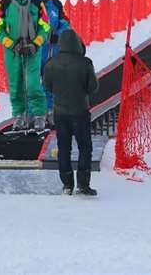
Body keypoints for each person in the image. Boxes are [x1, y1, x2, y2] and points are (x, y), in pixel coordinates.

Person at [0, 0, 51, 130]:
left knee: (32, 84)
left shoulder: (37, 4)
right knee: (16, 85)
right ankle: (19, 115)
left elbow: (45, 26)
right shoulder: (4, 5)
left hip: (33, 50)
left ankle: (39, 115)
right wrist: (11, 44)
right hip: (13, 51)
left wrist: (36, 43)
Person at [43, 29, 99, 196]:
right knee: (84, 148)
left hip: (60, 112)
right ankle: (83, 184)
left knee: (64, 148)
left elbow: (47, 86)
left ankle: (67, 185)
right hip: (80, 111)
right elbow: (93, 87)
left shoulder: (51, 63)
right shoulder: (85, 63)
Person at [34, 0, 71, 125]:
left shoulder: (56, 4)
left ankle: (50, 112)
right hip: (35, 50)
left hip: (51, 50)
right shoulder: (32, 3)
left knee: (50, 81)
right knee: (32, 84)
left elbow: (65, 23)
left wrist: (59, 35)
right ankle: (35, 114)